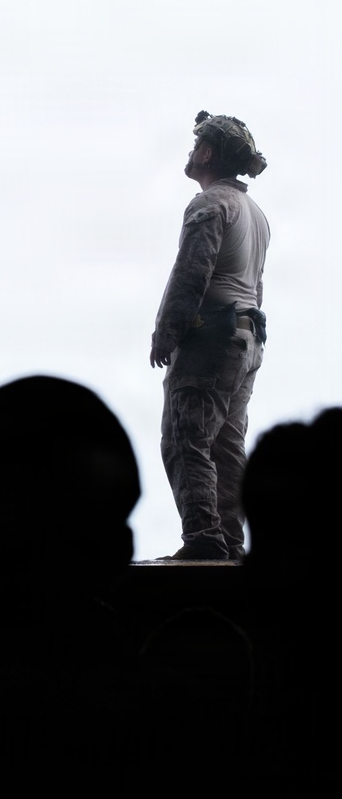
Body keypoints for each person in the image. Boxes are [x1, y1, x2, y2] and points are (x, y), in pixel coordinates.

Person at [151, 111, 270, 562]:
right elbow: (256, 288)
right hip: (246, 337)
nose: (190, 150)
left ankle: (203, 539)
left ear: (206, 152)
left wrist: (167, 332)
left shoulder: (210, 204)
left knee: (186, 437)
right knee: (226, 444)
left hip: (211, 338)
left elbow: (191, 273)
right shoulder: (255, 213)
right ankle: (231, 545)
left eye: (196, 143)